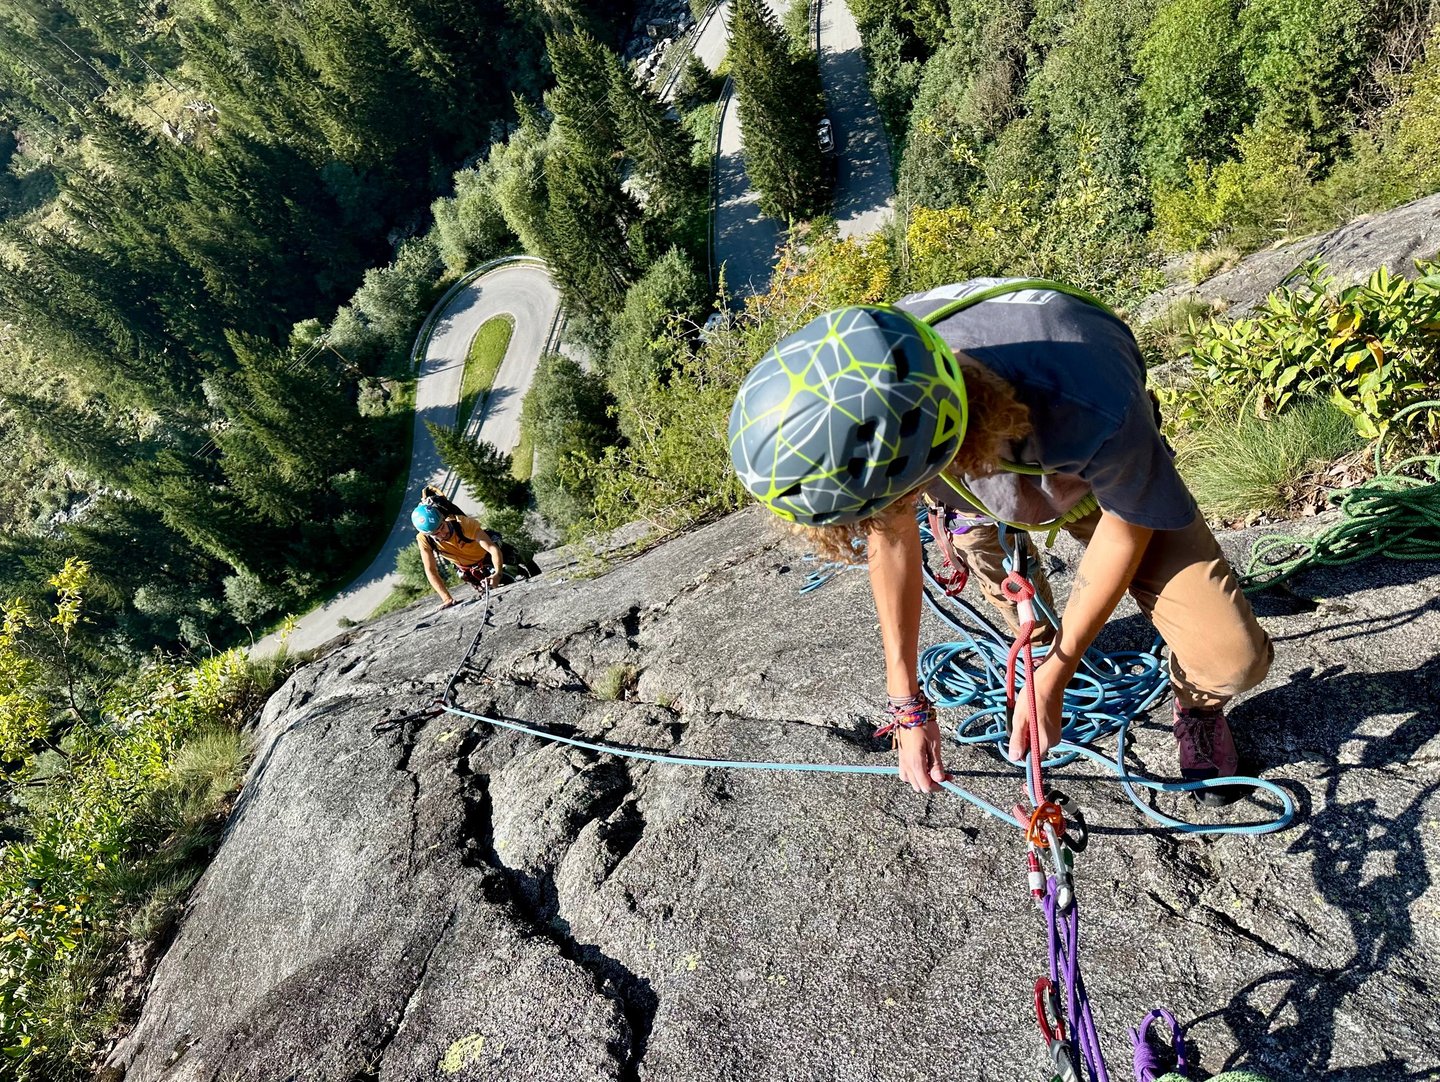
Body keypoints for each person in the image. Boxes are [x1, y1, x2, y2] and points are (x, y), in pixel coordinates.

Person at [728, 278, 1272, 802]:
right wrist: (907, 703)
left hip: (1088, 478)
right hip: (962, 484)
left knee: (1233, 659)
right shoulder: (879, 393)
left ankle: (1196, 705)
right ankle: (1035, 651)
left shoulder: (1088, 390)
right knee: (1007, 587)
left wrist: (1058, 670)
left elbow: (1127, 525)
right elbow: (892, 536)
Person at [411, 486, 505, 608]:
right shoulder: (424, 539)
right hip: (467, 569)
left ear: (444, 519)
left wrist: (498, 574)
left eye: (442, 527)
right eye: (436, 534)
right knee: (486, 593)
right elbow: (430, 570)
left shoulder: (461, 524)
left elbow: (492, 548)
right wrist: (446, 598)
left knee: (513, 557)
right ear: (427, 534)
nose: (442, 534)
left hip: (486, 556)